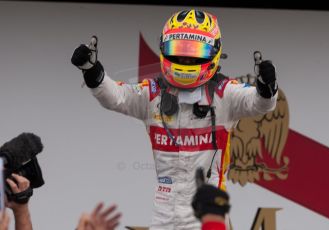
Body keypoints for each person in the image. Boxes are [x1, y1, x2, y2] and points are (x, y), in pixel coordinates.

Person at [71, 9, 278, 230]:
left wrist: (267, 88)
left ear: (214, 52)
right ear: (164, 48)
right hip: (164, 214)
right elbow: (117, 98)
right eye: (178, 50)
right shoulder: (152, 93)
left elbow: (258, 104)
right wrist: (92, 72)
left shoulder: (225, 93)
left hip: (207, 212)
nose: (185, 58)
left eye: (194, 51)